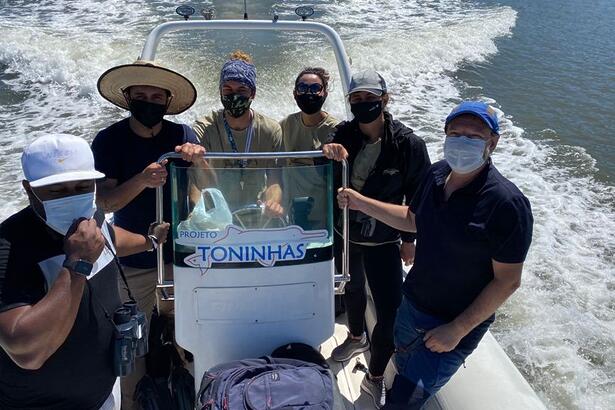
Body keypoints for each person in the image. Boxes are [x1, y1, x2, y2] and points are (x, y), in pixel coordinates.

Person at [328, 101, 534, 409]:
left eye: (474, 135)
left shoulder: (507, 205)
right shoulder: (437, 174)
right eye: (456, 132)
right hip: (412, 306)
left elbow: (507, 282)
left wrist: (458, 330)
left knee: (405, 400)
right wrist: (361, 202)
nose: (463, 140)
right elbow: (412, 220)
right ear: (446, 135)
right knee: (400, 365)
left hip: (451, 327)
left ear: (493, 142)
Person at [0, 134, 169, 410]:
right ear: (29, 189)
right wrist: (78, 263)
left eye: (81, 185)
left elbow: (112, 238)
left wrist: (149, 241)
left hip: (101, 397)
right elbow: (26, 351)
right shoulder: (10, 246)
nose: (72, 197)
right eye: (56, 190)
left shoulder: (93, 218)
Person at [92, 59, 208, 409]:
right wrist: (142, 180)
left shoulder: (183, 135)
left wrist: (199, 161)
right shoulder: (109, 140)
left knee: (189, 341)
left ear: (167, 101)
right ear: (127, 97)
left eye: (157, 95)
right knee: (133, 349)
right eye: (141, 94)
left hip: (182, 258)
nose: (149, 100)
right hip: (134, 263)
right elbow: (106, 200)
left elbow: (208, 190)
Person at [323, 70, 431, 408]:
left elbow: (418, 198)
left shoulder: (408, 144)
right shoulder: (343, 134)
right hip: (346, 233)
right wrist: (326, 149)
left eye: (370, 98)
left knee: (389, 311)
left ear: (384, 99)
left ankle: (374, 376)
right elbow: (321, 164)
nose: (363, 104)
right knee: (352, 288)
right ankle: (355, 336)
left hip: (384, 241)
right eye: (356, 99)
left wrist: (409, 239)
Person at [193, 50, 284, 219]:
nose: (234, 95)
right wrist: (198, 215)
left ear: (253, 94)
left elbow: (275, 180)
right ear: (220, 92)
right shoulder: (204, 128)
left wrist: (273, 203)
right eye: (227, 89)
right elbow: (196, 183)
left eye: (242, 90)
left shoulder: (271, 130)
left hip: (259, 214)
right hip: (217, 217)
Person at [280, 67, 339, 166]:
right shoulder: (286, 124)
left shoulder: (335, 129)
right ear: (295, 94)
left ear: (325, 94)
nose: (308, 93)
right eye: (302, 88)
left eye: (315, 88)